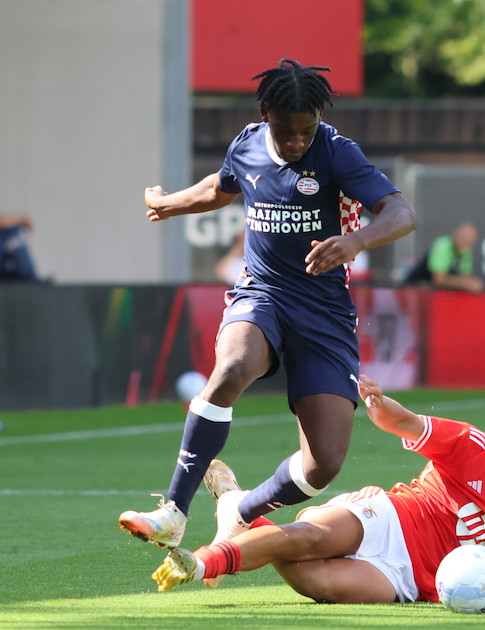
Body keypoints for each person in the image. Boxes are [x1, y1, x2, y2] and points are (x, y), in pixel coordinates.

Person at [119, 59, 417, 551]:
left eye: (307, 130)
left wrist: (356, 240)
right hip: (262, 292)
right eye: (287, 131)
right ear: (266, 114)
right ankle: (173, 511)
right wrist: (168, 203)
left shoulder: (338, 153)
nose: (298, 141)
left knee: (323, 465)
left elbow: (402, 213)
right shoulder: (248, 143)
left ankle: (241, 509)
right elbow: (220, 186)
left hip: (324, 312)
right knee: (233, 366)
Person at [150, 375, 485, 605]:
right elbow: (409, 422)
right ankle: (202, 562)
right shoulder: (473, 444)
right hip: (391, 515)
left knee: (317, 584)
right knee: (303, 540)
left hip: (413, 581)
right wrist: (381, 405)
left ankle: (239, 512)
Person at [404, 222, 484, 293]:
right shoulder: (442, 245)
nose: (466, 245)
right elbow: (438, 279)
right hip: (415, 289)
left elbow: (465, 276)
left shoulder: (465, 251)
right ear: (456, 234)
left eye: (469, 242)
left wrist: (470, 283)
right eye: (464, 239)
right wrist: (466, 284)